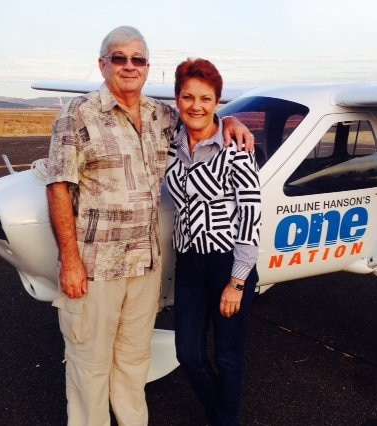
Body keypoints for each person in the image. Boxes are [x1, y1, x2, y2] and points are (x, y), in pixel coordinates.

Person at [45, 26, 253, 426]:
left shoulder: (162, 116)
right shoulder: (78, 115)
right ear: (102, 63)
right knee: (89, 361)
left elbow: (202, 113)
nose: (129, 66)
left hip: (144, 266)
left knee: (133, 359)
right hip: (96, 266)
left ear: (146, 67)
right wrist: (70, 260)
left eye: (137, 59)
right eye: (119, 58)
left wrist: (231, 121)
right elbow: (58, 186)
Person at [165, 58, 261, 426]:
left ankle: (225, 421)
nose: (196, 106)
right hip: (189, 262)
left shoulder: (235, 147)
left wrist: (237, 281)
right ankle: (219, 413)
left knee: (227, 356)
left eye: (206, 98)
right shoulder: (171, 144)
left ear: (218, 102)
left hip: (228, 264)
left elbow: (251, 213)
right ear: (177, 99)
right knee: (188, 353)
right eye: (188, 97)